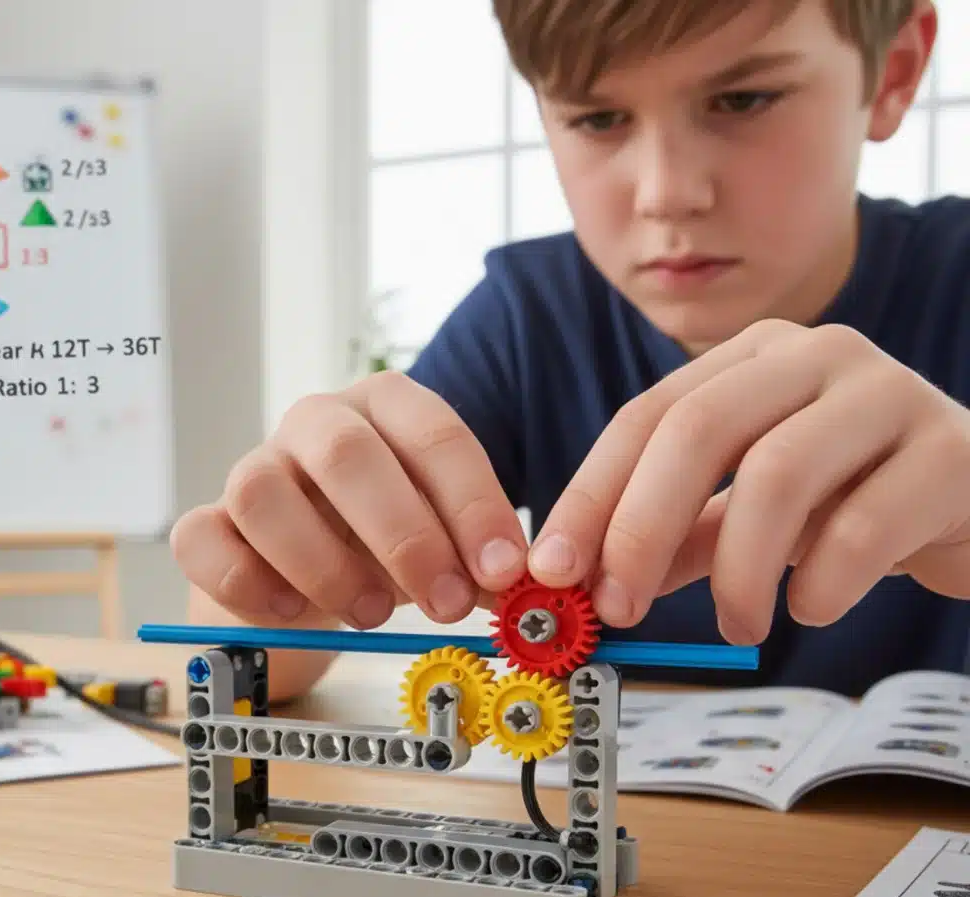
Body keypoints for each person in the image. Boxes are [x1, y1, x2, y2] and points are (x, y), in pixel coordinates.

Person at [171, 0, 970, 703]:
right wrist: (289, 563)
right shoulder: (527, 316)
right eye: (596, 119)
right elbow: (235, 664)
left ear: (894, 72)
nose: (666, 192)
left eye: (743, 99)